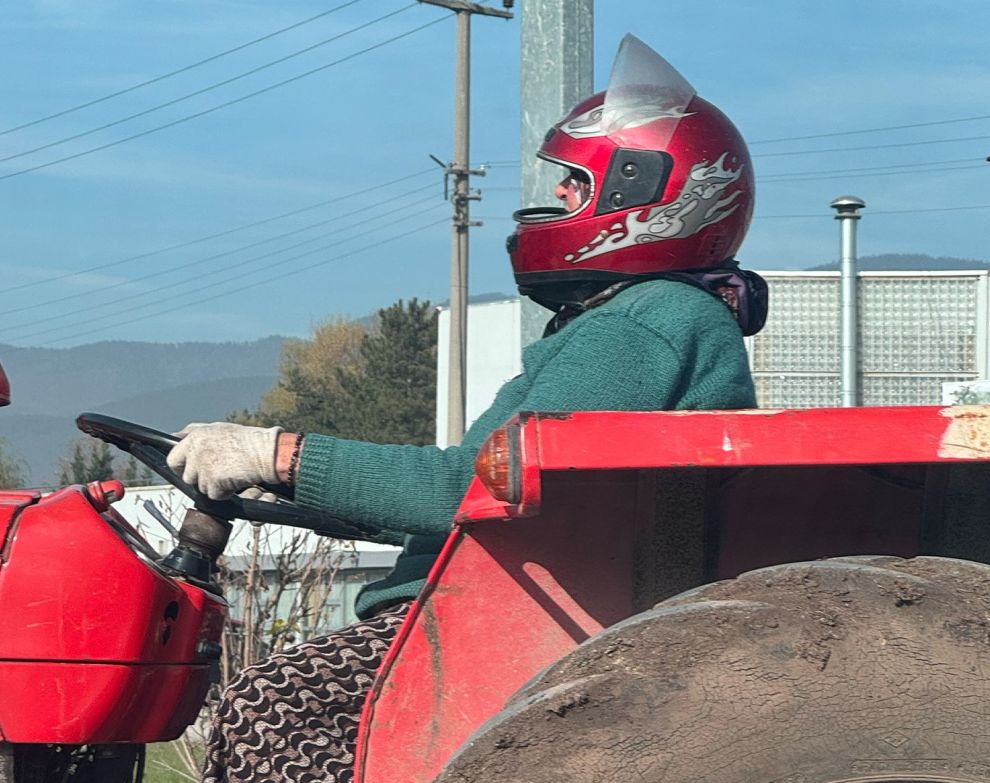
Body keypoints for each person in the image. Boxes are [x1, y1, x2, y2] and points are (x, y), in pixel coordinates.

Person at [167, 34, 768, 783]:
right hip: (504, 605)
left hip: (504, 624)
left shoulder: (644, 323)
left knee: (269, 707)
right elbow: (480, 498)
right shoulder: (648, 319)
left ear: (644, 195)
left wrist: (279, 453)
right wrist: (298, 487)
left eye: (577, 183)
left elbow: (468, 489)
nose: (560, 199)